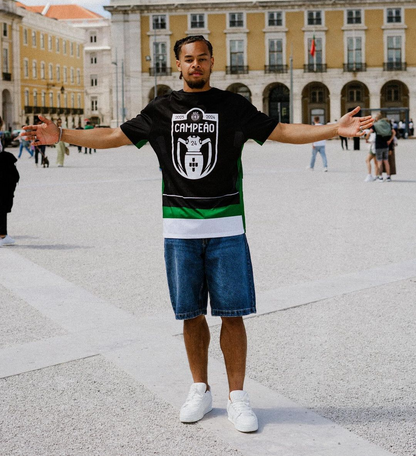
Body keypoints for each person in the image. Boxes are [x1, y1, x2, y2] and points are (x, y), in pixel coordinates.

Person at [23, 35, 373, 433]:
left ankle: (237, 397)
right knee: (190, 315)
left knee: (232, 315)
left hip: (227, 226)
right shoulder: (161, 109)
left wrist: (333, 129)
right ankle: (200, 389)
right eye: (188, 59)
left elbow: (281, 130)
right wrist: (62, 135)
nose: (195, 64)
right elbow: (114, 136)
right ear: (178, 64)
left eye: (202, 58)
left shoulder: (233, 106)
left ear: (211, 62)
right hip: (180, 228)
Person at [0, 142, 20, 247]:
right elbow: (14, 176)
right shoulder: (6, 158)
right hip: (4, 188)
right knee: (1, 209)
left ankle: (4, 235)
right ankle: (2, 236)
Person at [369, 113, 394, 182]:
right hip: (386, 145)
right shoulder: (387, 124)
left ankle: (380, 177)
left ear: (377, 118)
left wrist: (367, 137)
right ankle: (388, 177)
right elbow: (393, 132)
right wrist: (390, 140)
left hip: (378, 145)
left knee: (379, 162)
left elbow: (370, 131)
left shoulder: (376, 125)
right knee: (386, 161)